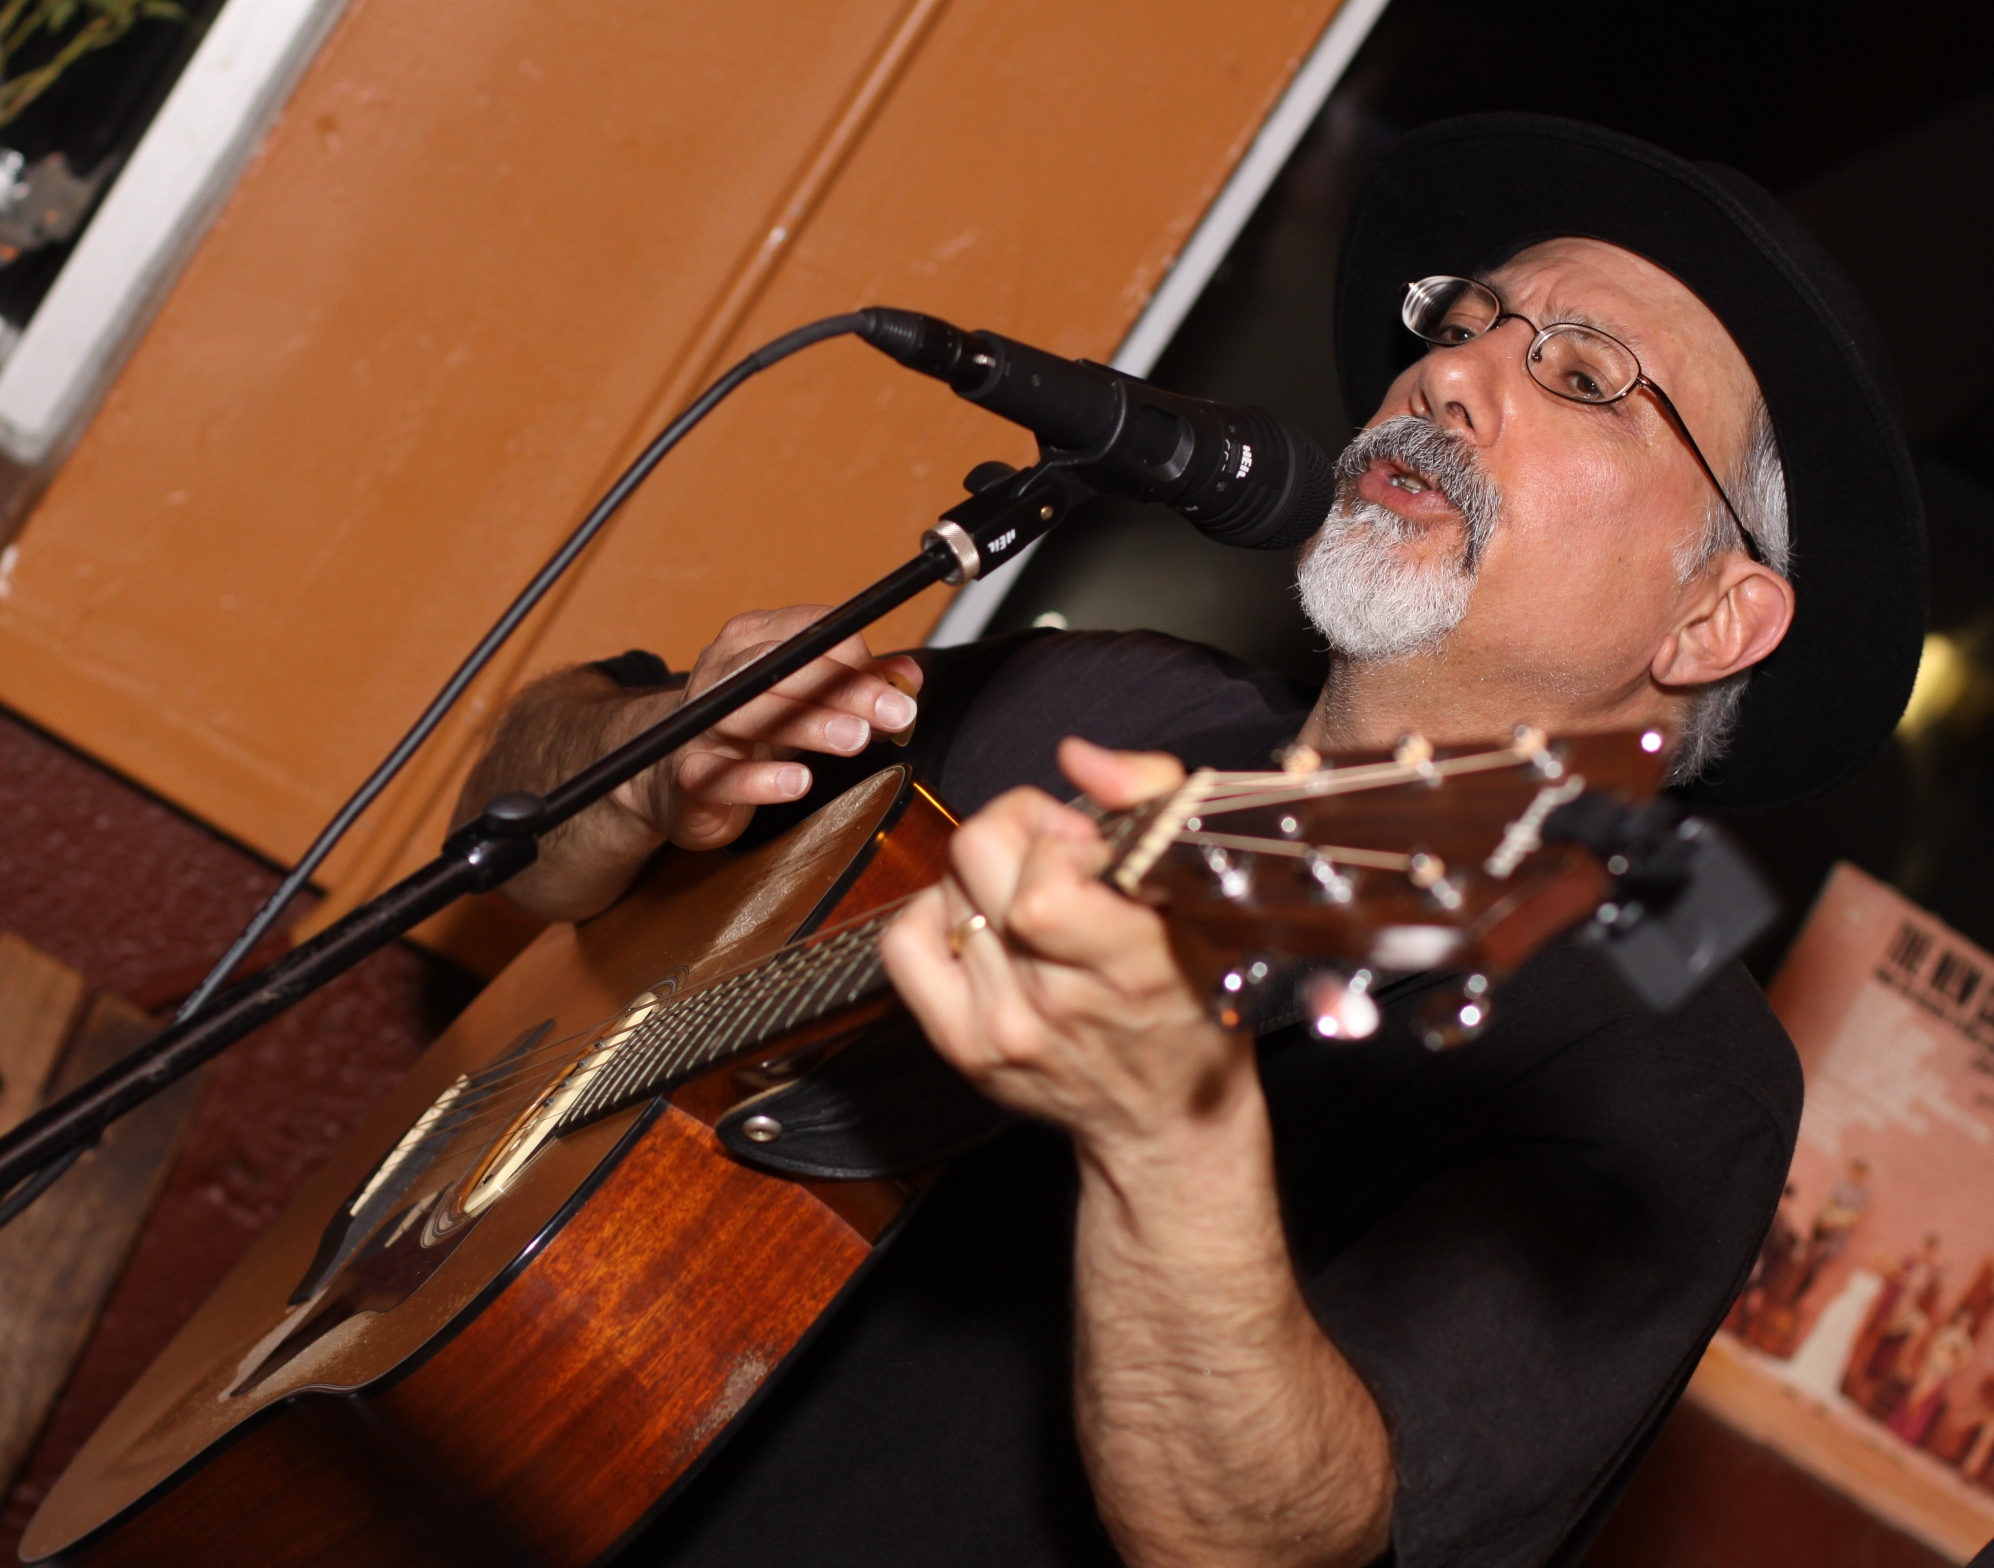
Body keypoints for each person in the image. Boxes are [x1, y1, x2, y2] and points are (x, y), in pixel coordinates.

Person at [455, 116, 1924, 1567]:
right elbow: (519, 839)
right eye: (1464, 324)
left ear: (1711, 620)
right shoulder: (1093, 695)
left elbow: (1282, 1552)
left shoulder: (1658, 1063)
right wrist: (643, 776)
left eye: (1586, 377)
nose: (1453, 374)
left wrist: (1165, 1137)